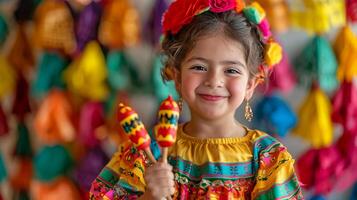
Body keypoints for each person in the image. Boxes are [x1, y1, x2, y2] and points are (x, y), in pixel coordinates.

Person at [90, 0, 303, 199]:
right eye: (199, 67)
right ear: (176, 76)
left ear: (250, 84)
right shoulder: (146, 152)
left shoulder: (267, 159)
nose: (214, 81)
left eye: (231, 70)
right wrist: (149, 196)